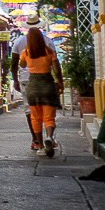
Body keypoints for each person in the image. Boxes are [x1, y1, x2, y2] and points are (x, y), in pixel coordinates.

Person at [13, 24, 62, 157]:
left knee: (35, 117)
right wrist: (60, 83)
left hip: (33, 87)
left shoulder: (26, 53)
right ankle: (50, 137)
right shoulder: (49, 52)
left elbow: (22, 64)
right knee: (49, 117)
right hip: (47, 85)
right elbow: (57, 69)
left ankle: (40, 145)